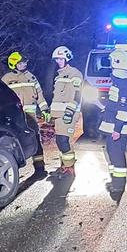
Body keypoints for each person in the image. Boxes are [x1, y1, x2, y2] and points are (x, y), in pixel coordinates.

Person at [1, 51, 48, 174]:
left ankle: (40, 169)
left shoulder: (31, 77)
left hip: (31, 117)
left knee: (36, 141)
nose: (24, 65)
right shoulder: (6, 79)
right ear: (13, 64)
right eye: (21, 63)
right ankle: (12, 172)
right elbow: (1, 98)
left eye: (25, 62)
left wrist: (45, 109)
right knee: (15, 143)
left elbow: (40, 95)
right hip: (15, 117)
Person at [98, 48, 127, 200]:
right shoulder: (120, 79)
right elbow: (116, 102)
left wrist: (118, 128)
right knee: (111, 153)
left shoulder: (124, 82)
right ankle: (114, 180)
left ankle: (118, 186)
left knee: (117, 155)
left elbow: (125, 108)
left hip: (117, 126)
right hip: (112, 124)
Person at [49, 45, 84, 176]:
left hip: (68, 113)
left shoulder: (75, 73)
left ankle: (69, 168)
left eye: (60, 58)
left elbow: (77, 93)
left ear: (67, 58)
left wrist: (70, 110)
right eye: (56, 59)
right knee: (64, 141)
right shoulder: (59, 75)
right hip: (59, 114)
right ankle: (65, 166)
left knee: (62, 140)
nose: (58, 61)